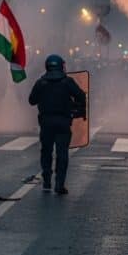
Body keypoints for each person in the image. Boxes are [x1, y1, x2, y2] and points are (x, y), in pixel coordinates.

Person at [28, 55, 86, 194]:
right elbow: (81, 96)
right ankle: (59, 184)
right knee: (62, 153)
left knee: (46, 152)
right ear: (61, 65)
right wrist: (75, 109)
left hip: (46, 122)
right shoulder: (68, 82)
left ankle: (47, 182)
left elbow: (31, 100)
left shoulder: (41, 82)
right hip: (63, 122)